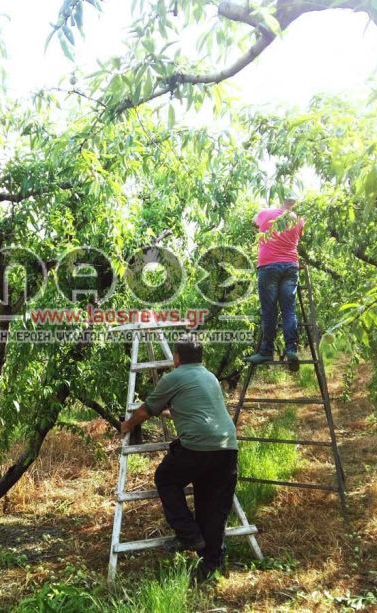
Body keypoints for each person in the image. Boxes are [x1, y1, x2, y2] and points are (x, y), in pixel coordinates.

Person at [120, 333, 238, 582]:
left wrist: (128, 425)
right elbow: (200, 410)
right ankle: (211, 563)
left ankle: (188, 534)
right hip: (227, 447)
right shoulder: (210, 377)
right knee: (212, 505)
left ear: (176, 357)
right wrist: (171, 412)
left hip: (197, 447)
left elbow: (145, 410)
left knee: (166, 478)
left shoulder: (173, 377)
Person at [245, 197, 304, 370]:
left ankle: (266, 351)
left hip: (269, 266)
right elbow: (297, 235)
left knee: (269, 311)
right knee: (289, 310)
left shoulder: (266, 213)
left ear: (281, 199)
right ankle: (292, 349)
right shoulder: (299, 220)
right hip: (291, 267)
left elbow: (254, 222)